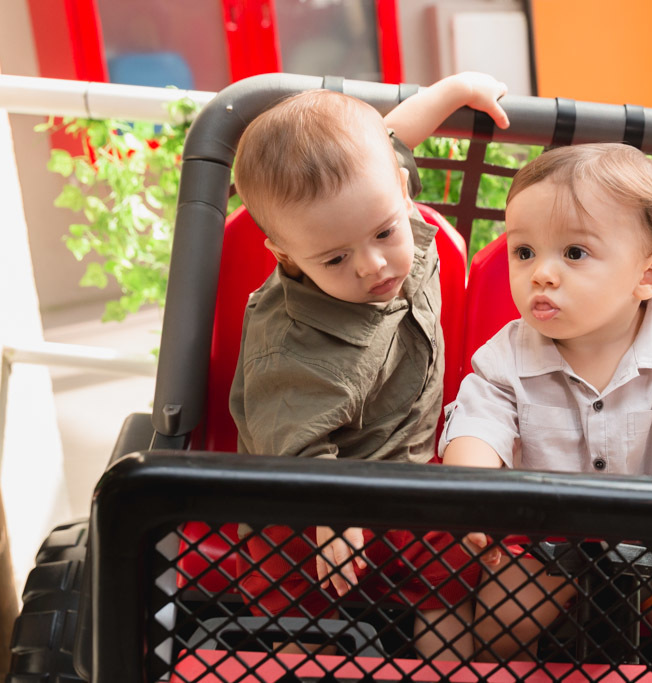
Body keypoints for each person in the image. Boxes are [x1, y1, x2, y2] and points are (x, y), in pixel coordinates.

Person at [228, 72, 509, 658]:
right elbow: (292, 451)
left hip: (408, 482)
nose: (373, 265)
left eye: (385, 232)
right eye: (335, 259)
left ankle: (446, 666)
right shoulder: (291, 347)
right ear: (287, 256)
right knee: (291, 587)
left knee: (451, 574)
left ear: (402, 192)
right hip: (309, 506)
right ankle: (305, 654)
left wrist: (453, 92)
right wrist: (332, 514)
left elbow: (391, 136)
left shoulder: (375, 193)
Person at [439, 143, 652, 665]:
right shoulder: (506, 357)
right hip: (543, 540)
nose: (541, 273)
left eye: (574, 253)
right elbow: (479, 422)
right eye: (524, 252)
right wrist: (472, 491)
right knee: (500, 624)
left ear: (647, 275)